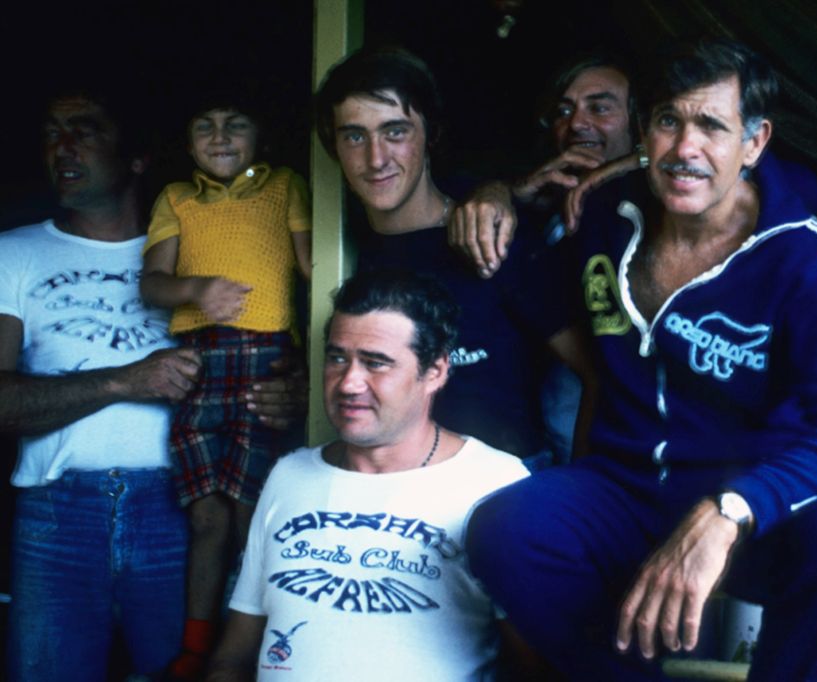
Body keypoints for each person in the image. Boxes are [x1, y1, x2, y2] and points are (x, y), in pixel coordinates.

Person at [466, 40, 817, 681]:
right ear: (644, 131)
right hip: (624, 490)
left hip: (746, 511)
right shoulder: (609, 212)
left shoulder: (803, 259)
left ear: (754, 142)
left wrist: (732, 508)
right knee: (504, 530)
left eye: (711, 126)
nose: (685, 147)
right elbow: (527, 278)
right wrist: (499, 194)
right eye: (669, 120)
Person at [205, 269, 529, 681]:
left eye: (376, 363)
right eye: (338, 358)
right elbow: (234, 656)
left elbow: (535, 664)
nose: (349, 383)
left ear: (435, 371)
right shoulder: (289, 475)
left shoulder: (494, 483)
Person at [0, 84, 196, 680]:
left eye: (83, 131)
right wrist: (122, 382)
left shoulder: (194, 254)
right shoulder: (14, 253)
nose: (62, 146)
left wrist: (278, 391)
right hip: (58, 514)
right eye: (51, 134)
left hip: (182, 509)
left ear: (136, 157)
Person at [313, 46, 592, 462]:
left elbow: (595, 373)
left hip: (507, 484)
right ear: (333, 146)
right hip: (390, 484)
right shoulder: (338, 246)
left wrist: (582, 484)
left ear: (431, 135)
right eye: (355, 136)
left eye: (395, 132)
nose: (375, 158)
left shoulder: (492, 234)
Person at [139, 89, 313, 679]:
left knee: (249, 510)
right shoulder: (177, 198)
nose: (219, 137)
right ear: (188, 144)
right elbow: (152, 284)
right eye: (205, 126)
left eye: (235, 124)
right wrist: (196, 289)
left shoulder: (284, 186)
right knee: (206, 516)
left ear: (259, 137)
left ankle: (251, 646)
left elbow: (314, 266)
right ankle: (196, 646)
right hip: (198, 361)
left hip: (265, 360)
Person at [448, 53, 638, 278]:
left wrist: (640, 160)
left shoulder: (652, 208)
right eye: (564, 111)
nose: (576, 124)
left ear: (640, 124)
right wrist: (503, 193)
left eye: (599, 108)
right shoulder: (542, 204)